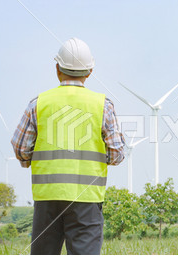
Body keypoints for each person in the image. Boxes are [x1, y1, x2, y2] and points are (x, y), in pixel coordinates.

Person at [11, 37, 125, 255]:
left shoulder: (38, 103)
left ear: (57, 68)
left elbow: (20, 148)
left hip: (47, 197)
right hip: (87, 198)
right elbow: (117, 154)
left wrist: (29, 161)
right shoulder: (103, 105)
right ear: (90, 70)